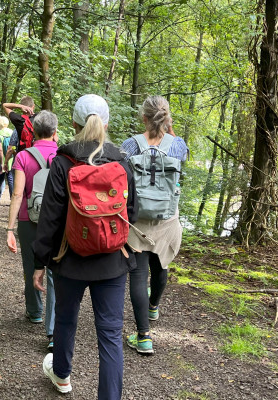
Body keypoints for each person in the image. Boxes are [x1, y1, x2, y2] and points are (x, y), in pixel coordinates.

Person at [32, 94, 136, 399]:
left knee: (65, 319)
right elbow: (134, 211)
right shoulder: (122, 161)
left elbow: (50, 217)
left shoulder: (63, 162)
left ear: (74, 123)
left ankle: (62, 376)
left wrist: (41, 262)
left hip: (70, 259)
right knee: (110, 334)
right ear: (106, 123)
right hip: (112, 261)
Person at [121, 95, 188, 355]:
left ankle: (144, 336)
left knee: (138, 276)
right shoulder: (178, 145)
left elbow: (122, 174)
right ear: (168, 117)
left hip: (137, 219)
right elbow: (182, 164)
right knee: (161, 264)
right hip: (167, 217)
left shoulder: (131, 144)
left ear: (144, 117)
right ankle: (153, 306)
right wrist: (169, 132)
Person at [5, 110, 58, 350]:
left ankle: (35, 311)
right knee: (55, 271)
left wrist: (10, 228)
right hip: (57, 222)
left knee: (30, 265)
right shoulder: (63, 156)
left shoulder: (23, 157)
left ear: (33, 132)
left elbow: (17, 194)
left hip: (29, 219)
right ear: (55, 133)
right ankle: (53, 327)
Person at [2, 96, 36, 166]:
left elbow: (4, 105)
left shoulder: (18, 119)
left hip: (23, 156)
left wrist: (20, 106)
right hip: (37, 156)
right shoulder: (40, 117)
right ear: (33, 106)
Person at [0, 115, 14, 201]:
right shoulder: (12, 133)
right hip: (11, 159)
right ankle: (12, 197)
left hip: (0, 159)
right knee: (11, 178)